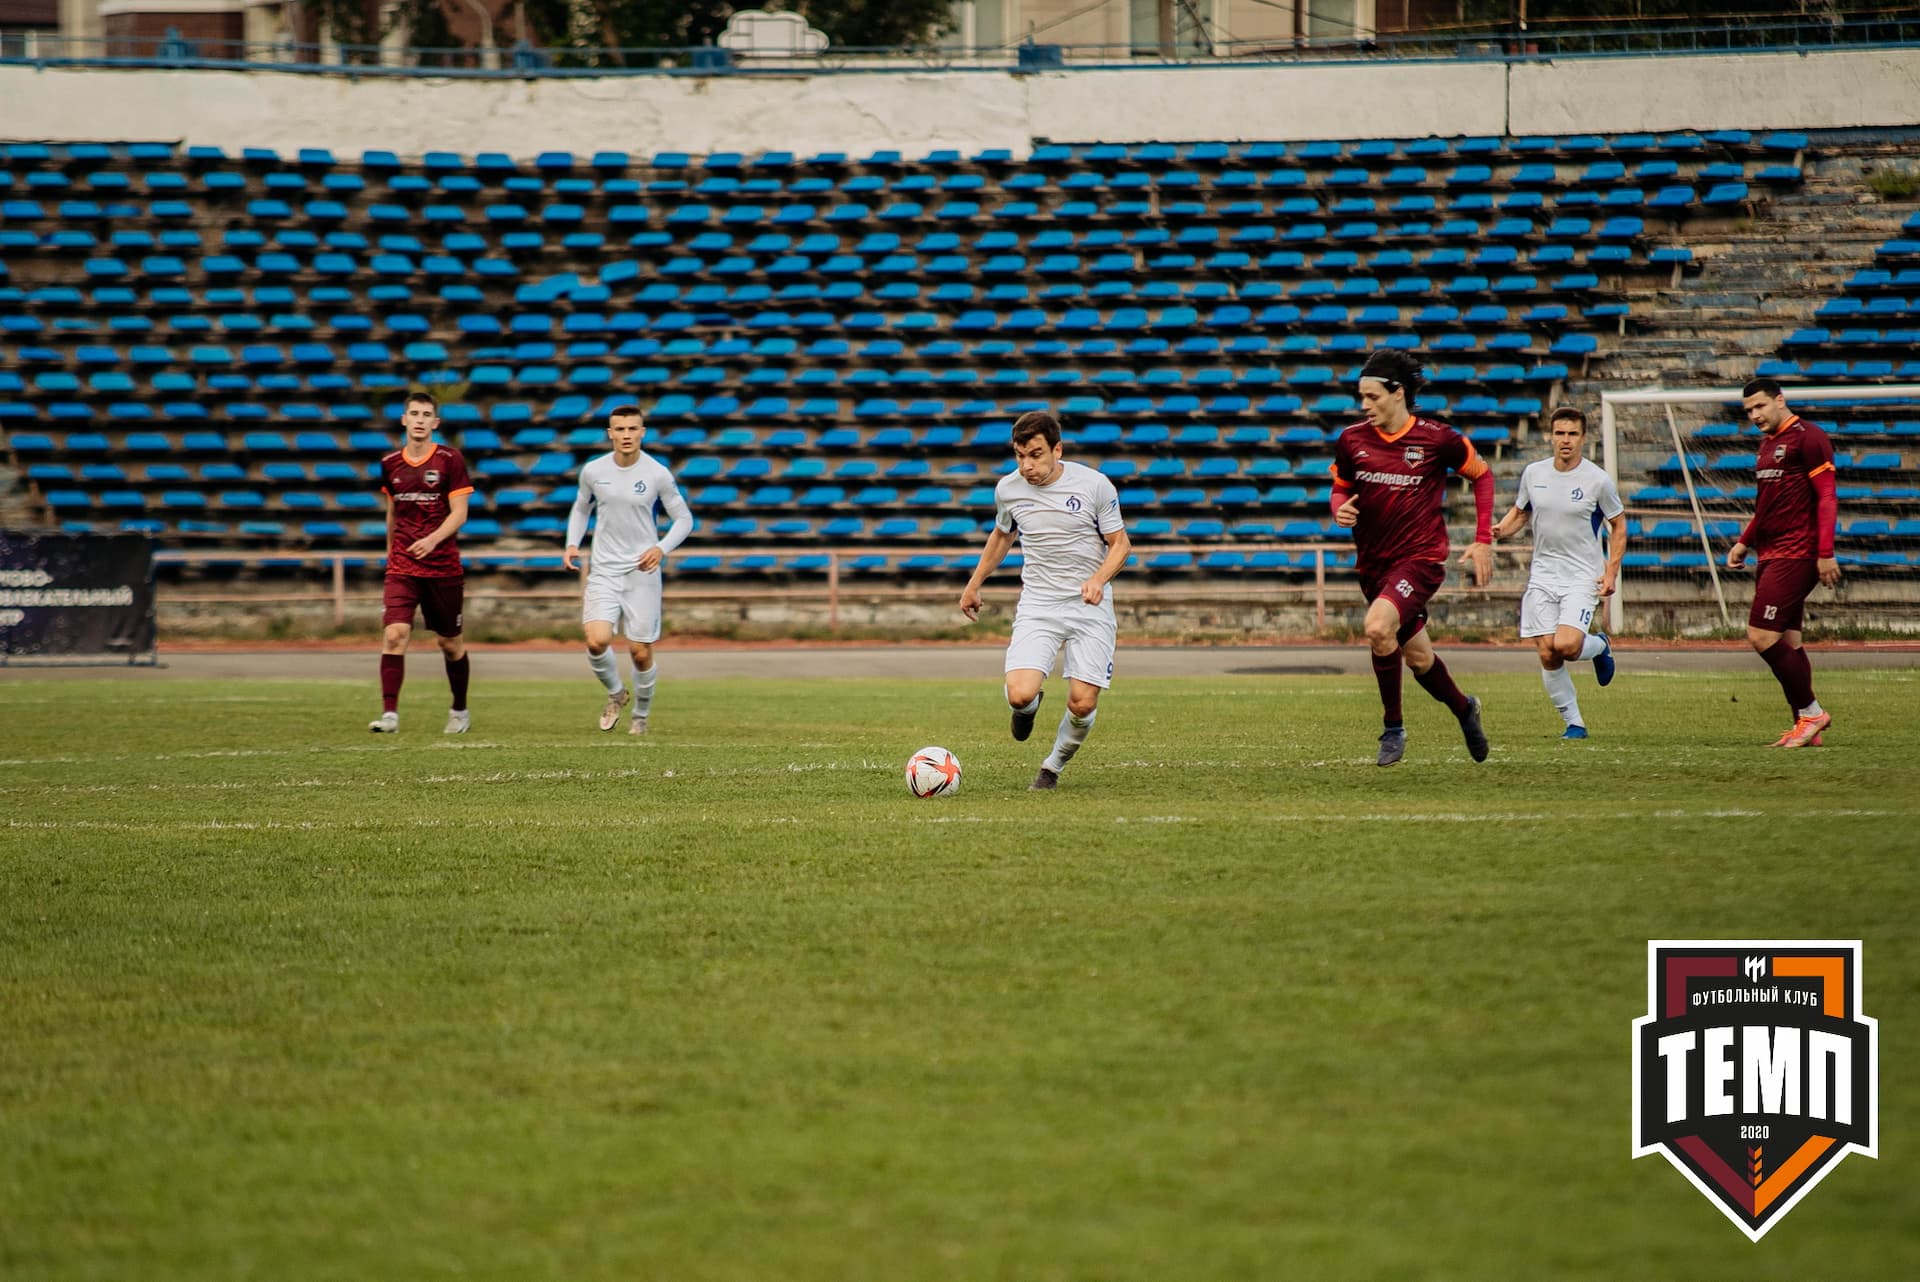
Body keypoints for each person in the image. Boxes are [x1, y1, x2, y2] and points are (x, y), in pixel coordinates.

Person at [1331, 349, 1496, 767]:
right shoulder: (1352, 440)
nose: (1364, 405)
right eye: (1361, 397)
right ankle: (1465, 709)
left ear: (1398, 393)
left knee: (1377, 627)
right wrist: (1338, 509)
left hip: (1420, 561)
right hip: (1374, 566)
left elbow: (1482, 476)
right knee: (1419, 658)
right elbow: (1340, 487)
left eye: (1372, 396)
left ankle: (1393, 728)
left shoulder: (1437, 439)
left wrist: (1482, 539)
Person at [960, 410, 1131, 791]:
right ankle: (1027, 708)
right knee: (1019, 696)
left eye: (1035, 455)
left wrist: (1098, 580)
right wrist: (974, 583)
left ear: (1057, 450)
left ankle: (1052, 766)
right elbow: (1002, 534)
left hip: (1089, 606)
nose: (1027, 466)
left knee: (1082, 704)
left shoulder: (1094, 486)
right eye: (1020, 456)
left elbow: (1120, 544)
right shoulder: (1008, 489)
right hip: (1039, 604)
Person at [1489, 405, 1626, 739]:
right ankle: (1574, 724)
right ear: (1550, 436)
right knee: (1547, 652)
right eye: (1560, 433)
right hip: (1543, 575)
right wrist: (1500, 530)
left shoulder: (1597, 480)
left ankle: (1599, 646)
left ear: (1583, 438)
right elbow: (1521, 513)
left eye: (1572, 434)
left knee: (1567, 645)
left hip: (1581, 575)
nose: (1566, 440)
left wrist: (1611, 573)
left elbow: (1619, 526)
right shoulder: (1534, 474)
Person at [564, 404, 693, 735]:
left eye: (632, 429)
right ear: (610, 433)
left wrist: (661, 548)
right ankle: (616, 693)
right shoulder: (593, 470)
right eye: (619, 429)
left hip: (641, 573)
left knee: (639, 651)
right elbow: (581, 508)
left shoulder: (657, 473)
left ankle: (641, 714)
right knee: (596, 641)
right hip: (604, 569)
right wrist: (572, 543)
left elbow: (684, 519)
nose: (626, 435)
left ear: (642, 432)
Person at [1727, 377, 1841, 748]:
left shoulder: (1809, 438)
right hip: (1771, 552)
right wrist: (1744, 542)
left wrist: (1825, 552)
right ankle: (1805, 727)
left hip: (1797, 552)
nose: (1755, 415)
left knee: (1761, 635)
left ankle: (1812, 713)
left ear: (1780, 400)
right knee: (1789, 643)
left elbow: (1827, 497)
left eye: (1760, 406)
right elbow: (1766, 506)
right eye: (1748, 411)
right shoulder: (1767, 445)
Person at [370, 390, 473, 734]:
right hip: (402, 564)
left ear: (435, 423)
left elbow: (460, 513)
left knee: (450, 644)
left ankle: (459, 710)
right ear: (404, 419)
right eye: (414, 413)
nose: (419, 420)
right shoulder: (390, 463)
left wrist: (432, 540)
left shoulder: (450, 459)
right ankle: (390, 715)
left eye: (426, 415)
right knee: (395, 634)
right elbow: (392, 513)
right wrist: (391, 554)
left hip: (442, 565)